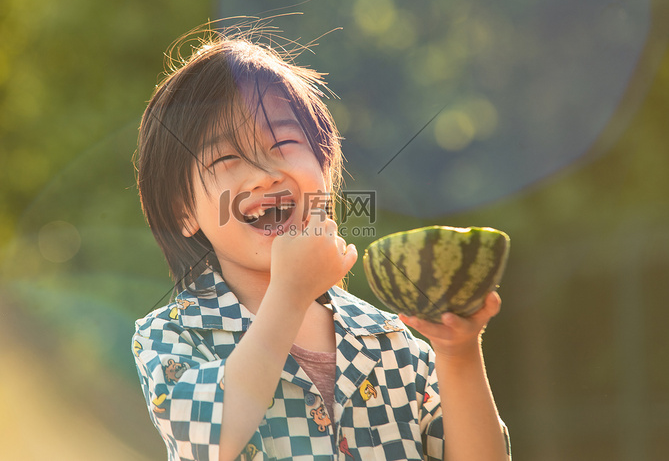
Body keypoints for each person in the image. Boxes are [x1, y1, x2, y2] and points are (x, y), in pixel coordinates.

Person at [131, 23, 511, 461]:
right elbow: (212, 440)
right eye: (227, 157)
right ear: (184, 211)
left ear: (325, 167)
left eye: (283, 142)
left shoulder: (392, 341)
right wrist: (289, 293)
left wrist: (458, 353)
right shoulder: (171, 335)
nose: (265, 173)